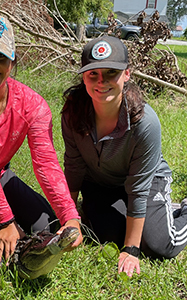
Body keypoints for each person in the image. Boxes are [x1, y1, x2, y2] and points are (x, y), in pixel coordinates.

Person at [61, 35, 187, 277]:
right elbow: (74, 166)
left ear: (127, 74)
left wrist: (131, 249)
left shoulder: (144, 123)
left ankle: (173, 209)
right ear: (83, 77)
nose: (102, 81)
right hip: (102, 181)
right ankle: (154, 213)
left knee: (159, 245)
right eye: (93, 74)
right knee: (104, 233)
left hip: (145, 182)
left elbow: (138, 189)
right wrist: (67, 217)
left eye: (111, 72)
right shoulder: (72, 113)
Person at [0, 16, 83, 265]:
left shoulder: (31, 105)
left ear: (12, 61)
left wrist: (70, 215)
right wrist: (5, 220)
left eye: (0, 59)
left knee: (49, 225)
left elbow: (46, 163)